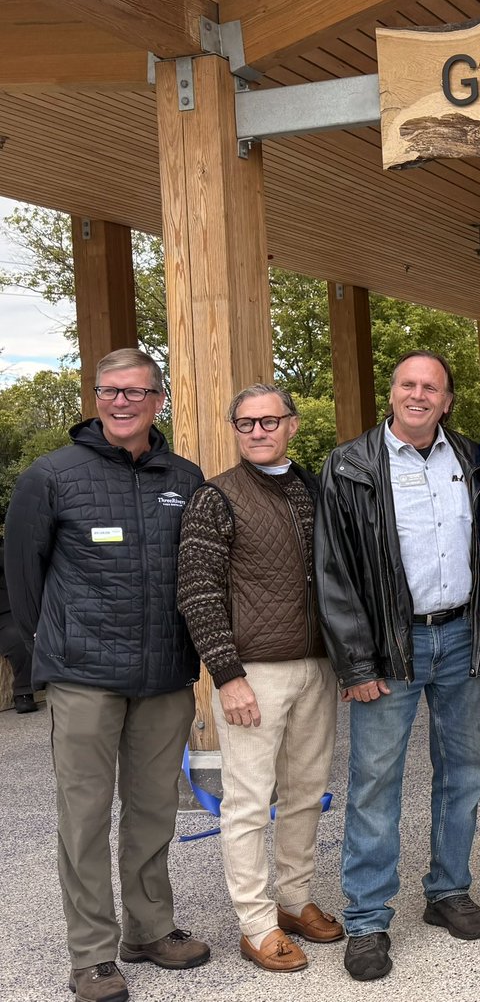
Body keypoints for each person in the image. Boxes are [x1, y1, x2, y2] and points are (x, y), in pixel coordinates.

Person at [4, 348, 210, 1002]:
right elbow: (23, 580)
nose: (122, 402)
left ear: (159, 399)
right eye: (110, 391)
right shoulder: (51, 476)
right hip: (85, 676)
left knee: (152, 813)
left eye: (136, 391)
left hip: (164, 675)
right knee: (85, 817)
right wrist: (56, 646)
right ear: (97, 397)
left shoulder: (185, 475)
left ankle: (149, 929)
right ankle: (92, 956)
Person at [315, 350, 480, 982]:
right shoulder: (351, 466)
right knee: (374, 783)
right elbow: (333, 573)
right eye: (407, 385)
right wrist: (355, 663)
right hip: (390, 649)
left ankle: (447, 891)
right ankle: (366, 919)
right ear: (390, 394)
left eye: (431, 387)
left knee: (467, 771)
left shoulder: (471, 460)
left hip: (462, 638)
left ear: (447, 400)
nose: (418, 395)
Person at [177, 384, 341, 973]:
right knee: (248, 802)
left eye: (269, 421)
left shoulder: (316, 490)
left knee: (304, 794)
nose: (258, 432)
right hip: (253, 674)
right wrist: (227, 675)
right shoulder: (215, 498)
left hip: (317, 666)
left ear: (292, 425)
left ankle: (295, 901)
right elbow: (197, 592)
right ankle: (256, 922)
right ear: (235, 430)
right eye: (245, 424)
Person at [1, 537, 38, 713]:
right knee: (16, 636)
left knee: (21, 636)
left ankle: (24, 691)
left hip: (9, 611)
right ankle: (23, 691)